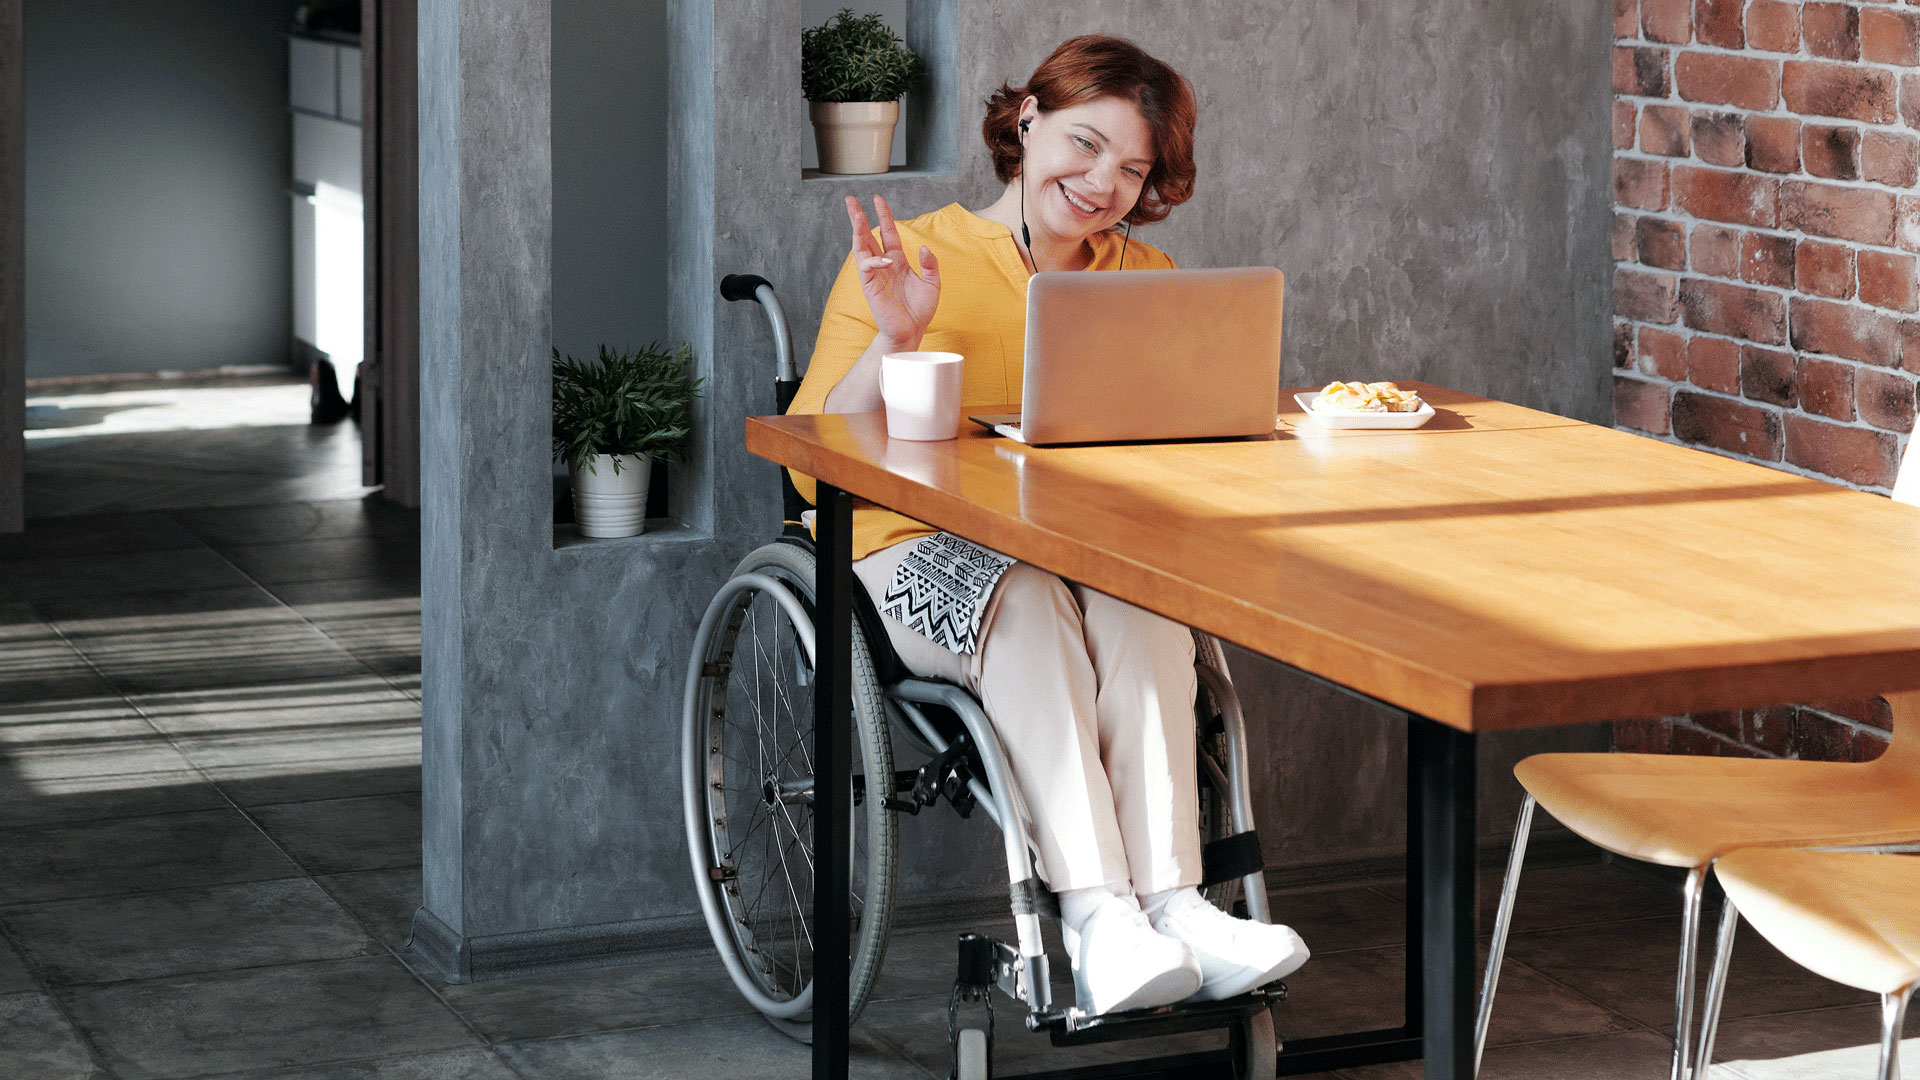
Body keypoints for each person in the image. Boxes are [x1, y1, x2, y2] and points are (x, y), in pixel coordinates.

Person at [787, 34, 1309, 1017]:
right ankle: (1098, 917)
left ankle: (1177, 906)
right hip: (904, 553)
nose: (1103, 181)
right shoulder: (913, 255)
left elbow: (1172, 446)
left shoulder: (1145, 273)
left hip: (1076, 551)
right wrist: (898, 336)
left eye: (1133, 167)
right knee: (1026, 599)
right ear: (1026, 119)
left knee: (1146, 602)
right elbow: (817, 462)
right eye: (1085, 143)